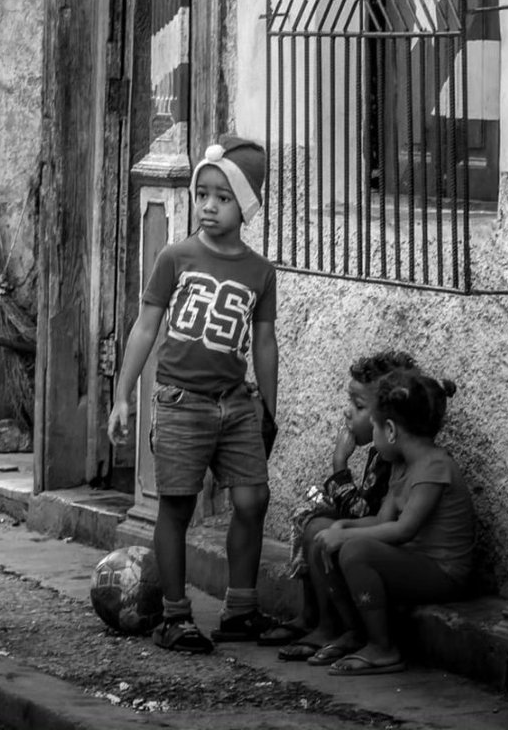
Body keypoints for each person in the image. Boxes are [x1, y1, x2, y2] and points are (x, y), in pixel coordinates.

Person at [107, 136, 277, 654]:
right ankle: (175, 616)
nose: (207, 206)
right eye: (202, 194)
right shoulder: (176, 255)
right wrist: (122, 395)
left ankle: (241, 610)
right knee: (177, 506)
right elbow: (144, 329)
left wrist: (269, 406)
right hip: (181, 401)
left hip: (236, 403)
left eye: (222, 197)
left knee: (253, 499)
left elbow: (264, 342)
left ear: (245, 205)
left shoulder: (259, 272)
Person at [307, 369, 475, 677]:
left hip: (443, 573)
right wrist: (343, 528)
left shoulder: (434, 467)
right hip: (413, 562)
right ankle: (357, 633)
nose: (372, 434)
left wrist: (347, 539)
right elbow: (382, 519)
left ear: (391, 430)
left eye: (373, 426)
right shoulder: (401, 466)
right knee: (325, 537)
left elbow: (403, 530)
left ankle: (383, 648)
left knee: (355, 552)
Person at [259, 349, 418, 659]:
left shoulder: (394, 460)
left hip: (383, 547)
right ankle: (314, 617)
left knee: (320, 526)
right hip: (372, 535)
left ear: (390, 418)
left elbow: (364, 513)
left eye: (358, 406)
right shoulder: (379, 453)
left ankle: (337, 626)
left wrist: (339, 465)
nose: (348, 413)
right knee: (312, 515)